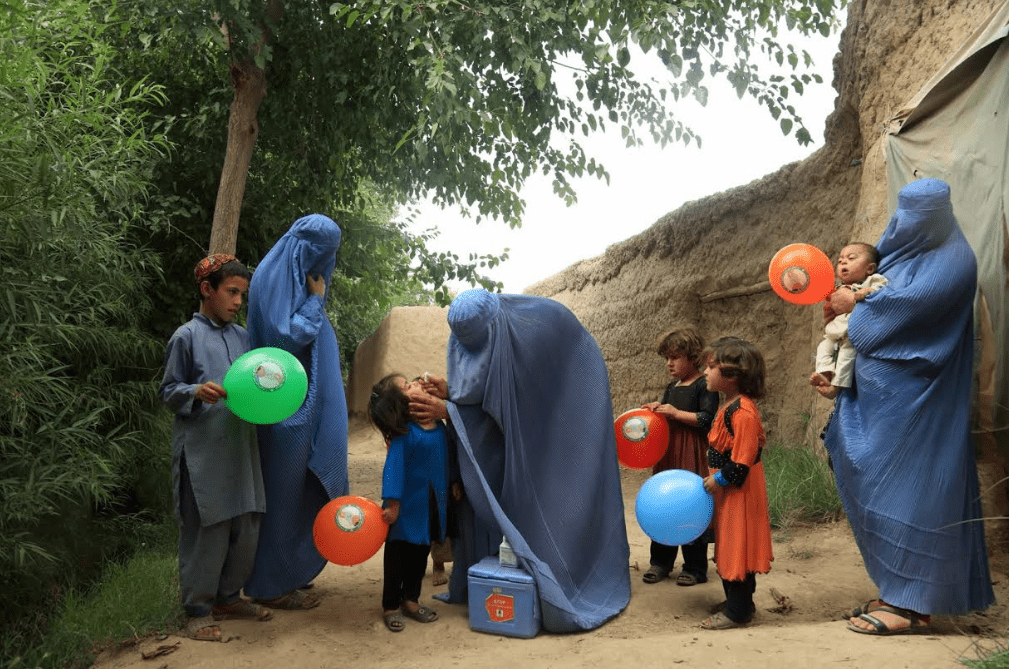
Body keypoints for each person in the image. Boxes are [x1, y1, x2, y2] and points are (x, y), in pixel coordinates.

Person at [823, 178, 994, 635]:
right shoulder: (896, 254)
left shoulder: (954, 260)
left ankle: (913, 607)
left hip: (921, 408)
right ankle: (894, 591)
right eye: (905, 213)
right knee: (876, 491)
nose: (907, 224)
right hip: (876, 405)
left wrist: (853, 303)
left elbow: (903, 311)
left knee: (915, 494)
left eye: (920, 216)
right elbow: (867, 293)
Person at [411, 289, 630, 633]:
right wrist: (452, 392)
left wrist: (449, 411)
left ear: (494, 325)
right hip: (533, 416)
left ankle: (570, 571)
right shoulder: (483, 332)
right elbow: (488, 394)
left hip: (563, 423)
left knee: (553, 505)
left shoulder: (541, 328)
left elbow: (518, 413)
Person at [159, 255, 271, 641]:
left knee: (247, 525)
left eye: (243, 294)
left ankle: (228, 597)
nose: (238, 302)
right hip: (203, 451)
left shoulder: (243, 339)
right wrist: (195, 390)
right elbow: (168, 390)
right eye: (232, 292)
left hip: (240, 447)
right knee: (208, 528)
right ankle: (198, 610)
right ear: (207, 290)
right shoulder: (185, 337)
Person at [244, 214, 348, 610]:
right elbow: (285, 337)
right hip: (286, 409)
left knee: (305, 489)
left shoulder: (297, 277)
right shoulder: (272, 278)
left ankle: (293, 571)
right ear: (300, 247)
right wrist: (316, 300)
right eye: (319, 254)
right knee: (284, 492)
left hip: (307, 407)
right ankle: (270, 583)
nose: (323, 266)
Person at [700, 336, 773, 630]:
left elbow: (741, 463)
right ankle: (737, 602)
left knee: (738, 545)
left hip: (739, 491)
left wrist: (716, 479)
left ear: (731, 375)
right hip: (729, 492)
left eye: (711, 367)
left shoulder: (742, 413)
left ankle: (739, 611)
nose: (705, 372)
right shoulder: (729, 405)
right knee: (729, 544)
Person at [368, 374, 450, 632]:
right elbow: (393, 469)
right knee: (397, 557)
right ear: (402, 405)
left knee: (420, 555)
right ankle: (391, 605)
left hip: (430, 505)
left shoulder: (439, 428)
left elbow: (448, 460)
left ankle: (411, 600)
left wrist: (454, 484)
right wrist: (392, 504)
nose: (416, 382)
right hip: (406, 508)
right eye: (408, 386)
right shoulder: (405, 435)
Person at [639, 327, 719, 586]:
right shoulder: (672, 387)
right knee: (663, 504)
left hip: (691, 454)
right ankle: (660, 563)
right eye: (667, 358)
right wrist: (656, 410)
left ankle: (695, 567)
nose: (669, 363)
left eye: (675, 357)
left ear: (692, 357)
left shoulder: (704, 386)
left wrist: (674, 413)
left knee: (689, 505)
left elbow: (708, 419)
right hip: (669, 453)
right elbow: (667, 414)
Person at [809, 242, 888, 399]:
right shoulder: (839, 288)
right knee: (823, 348)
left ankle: (835, 388)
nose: (843, 261)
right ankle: (825, 375)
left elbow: (883, 290)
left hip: (851, 334)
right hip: (834, 332)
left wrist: (863, 293)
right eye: (840, 261)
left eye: (852, 258)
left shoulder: (872, 280)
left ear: (870, 269)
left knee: (846, 355)